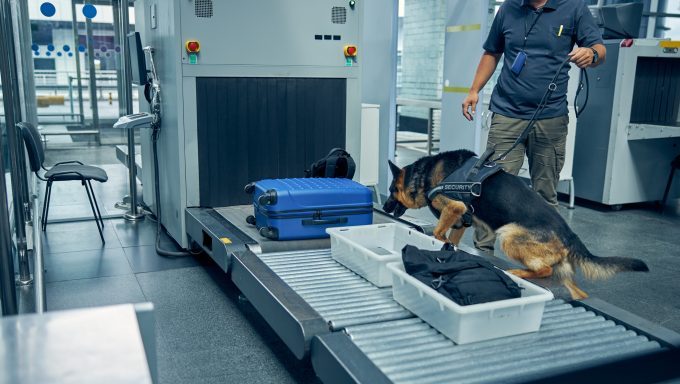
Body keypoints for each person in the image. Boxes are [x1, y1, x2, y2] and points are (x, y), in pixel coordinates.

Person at [461, 0, 605, 252]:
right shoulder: (507, 8)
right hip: (507, 113)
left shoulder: (574, 8)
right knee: (491, 188)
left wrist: (591, 54)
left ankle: (543, 256)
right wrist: (474, 90)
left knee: (545, 193)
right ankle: (481, 256)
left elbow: (600, 50)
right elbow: (492, 53)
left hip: (550, 116)